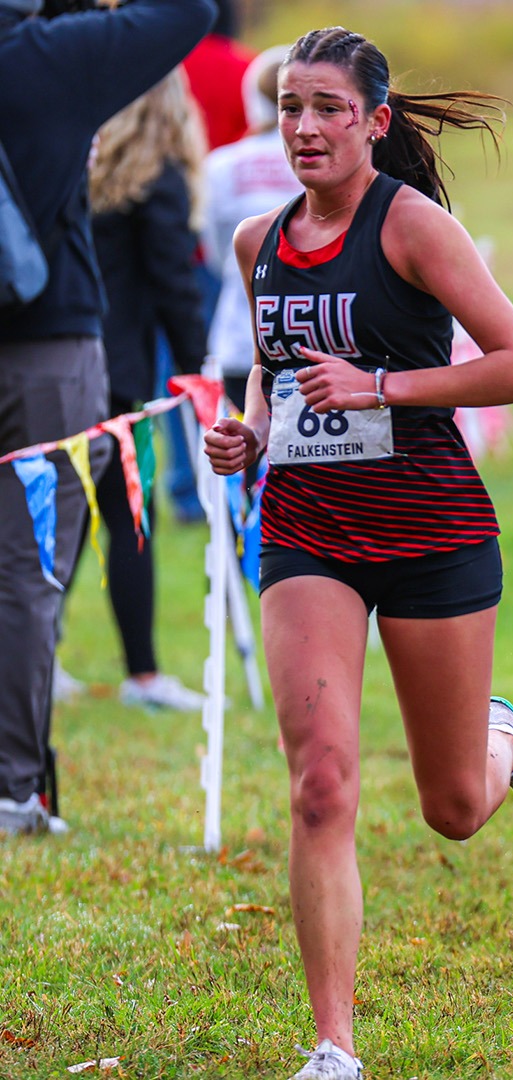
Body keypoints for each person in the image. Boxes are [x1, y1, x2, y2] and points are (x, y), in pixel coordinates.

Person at [199, 27, 513, 1079]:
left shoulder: (414, 229)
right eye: (289, 106)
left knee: (454, 809)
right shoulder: (257, 241)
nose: (305, 127)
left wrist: (383, 387)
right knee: (320, 784)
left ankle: (506, 740)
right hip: (307, 530)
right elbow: (274, 375)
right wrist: (250, 433)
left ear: (375, 121)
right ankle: (333, 1047)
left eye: (327, 108)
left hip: (431, 531)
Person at [0, 0, 216, 836]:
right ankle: (14, 786)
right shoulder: (53, 55)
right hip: (45, 338)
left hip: (55, 338)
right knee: (25, 569)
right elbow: (192, 10)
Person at [85, 67, 210, 712]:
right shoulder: (156, 180)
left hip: (61, 360)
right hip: (119, 376)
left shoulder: (85, 174)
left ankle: (39, 662)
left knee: (59, 519)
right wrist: (202, 366)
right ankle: (142, 675)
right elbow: (174, 286)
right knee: (131, 517)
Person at [203, 43, 302, 410]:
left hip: (238, 336)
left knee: (245, 458)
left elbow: (217, 254)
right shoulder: (322, 157)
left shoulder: (220, 165)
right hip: (312, 336)